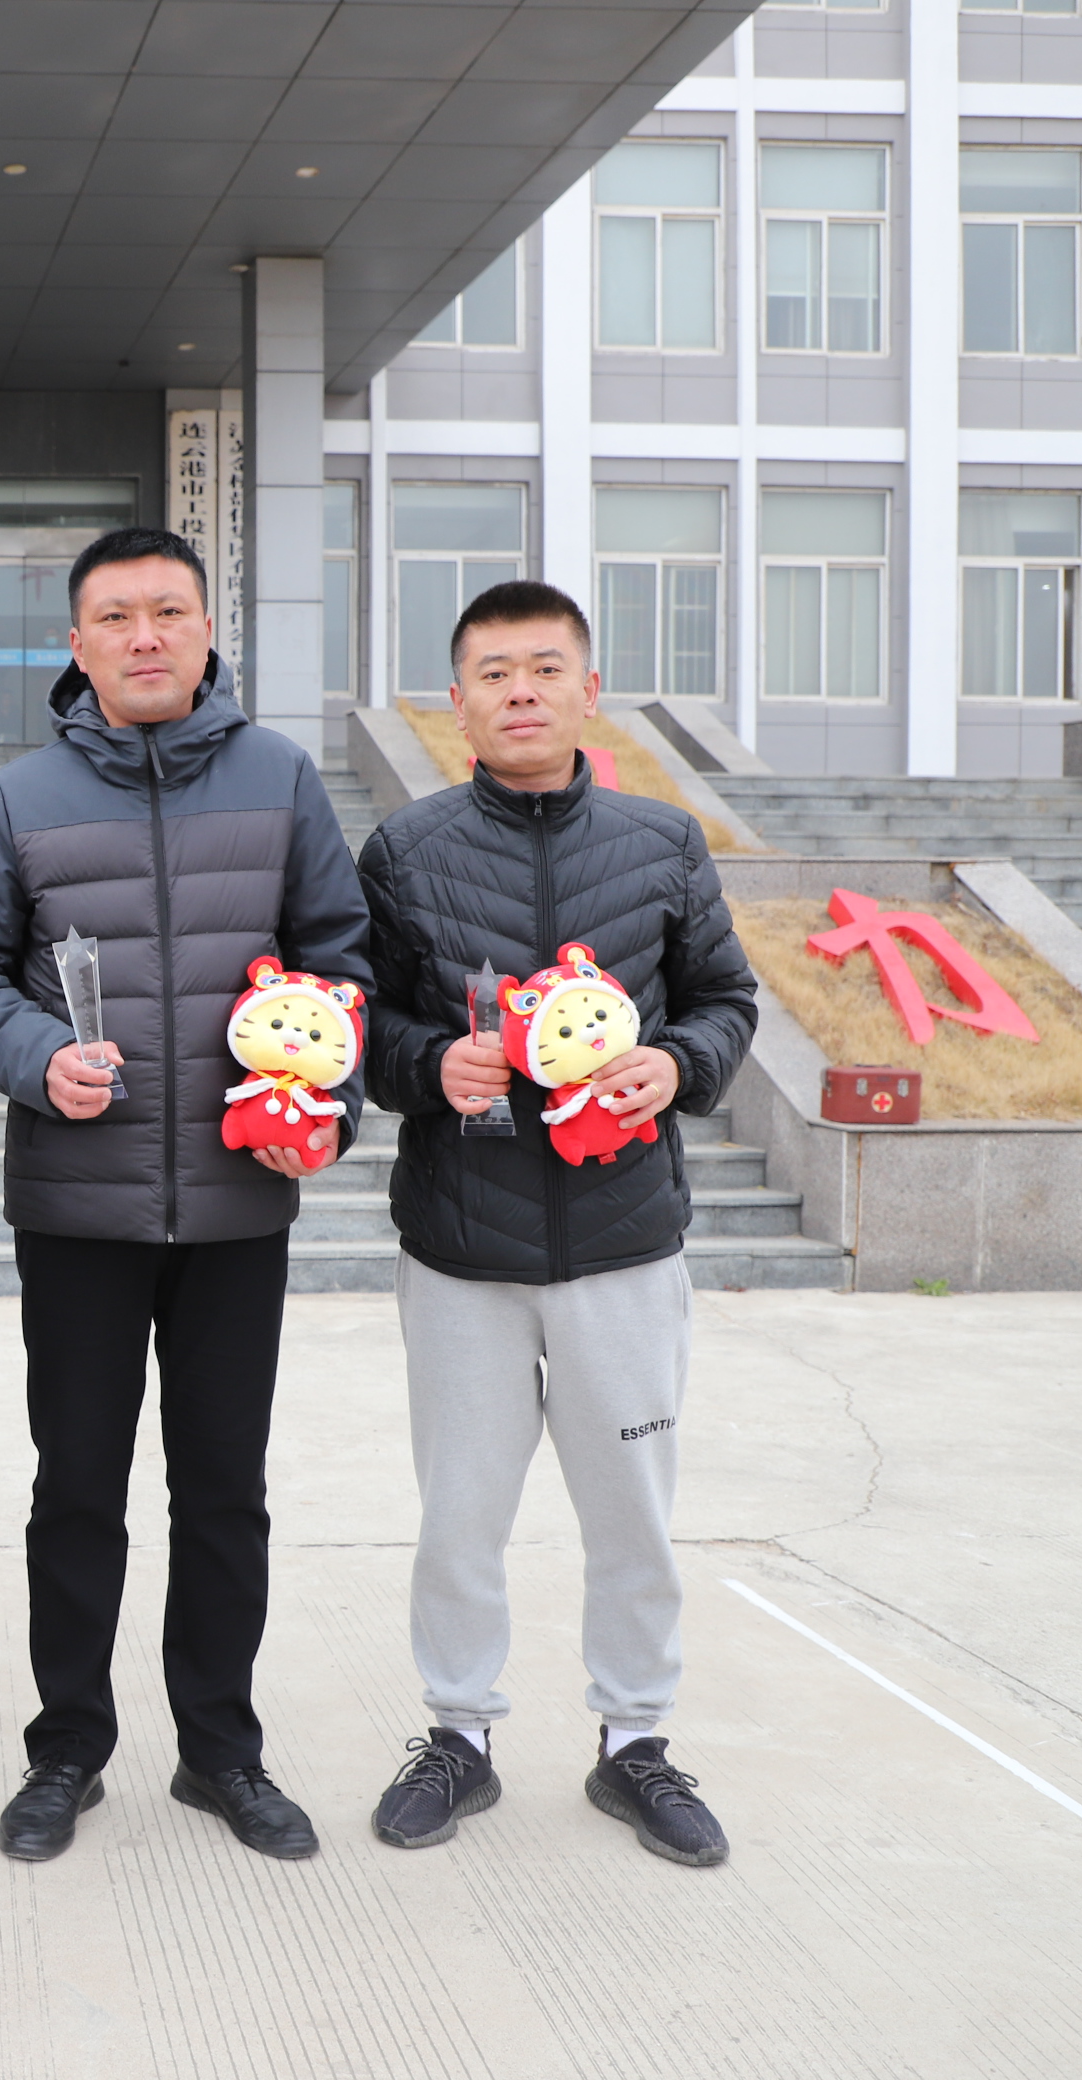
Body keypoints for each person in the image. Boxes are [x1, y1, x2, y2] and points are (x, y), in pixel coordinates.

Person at [0, 526, 371, 1864]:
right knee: (77, 1488)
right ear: (78, 644)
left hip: (239, 1205)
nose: (145, 636)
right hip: (79, 1209)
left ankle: (220, 1751)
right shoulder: (19, 798)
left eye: (168, 611)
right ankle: (66, 1748)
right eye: (116, 616)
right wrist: (35, 1057)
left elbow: (340, 961)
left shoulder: (281, 778)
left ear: (207, 628)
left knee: (225, 1490)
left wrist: (329, 1105)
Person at [352, 580, 757, 1869]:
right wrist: (431, 1064)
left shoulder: (664, 842)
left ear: (589, 689)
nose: (519, 691)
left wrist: (676, 1064)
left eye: (543, 668)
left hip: (622, 1242)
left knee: (631, 1512)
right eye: (493, 672)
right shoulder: (404, 851)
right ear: (456, 701)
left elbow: (727, 1000)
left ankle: (635, 1740)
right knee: (459, 1514)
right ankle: (458, 1734)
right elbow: (366, 1028)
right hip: (461, 1248)